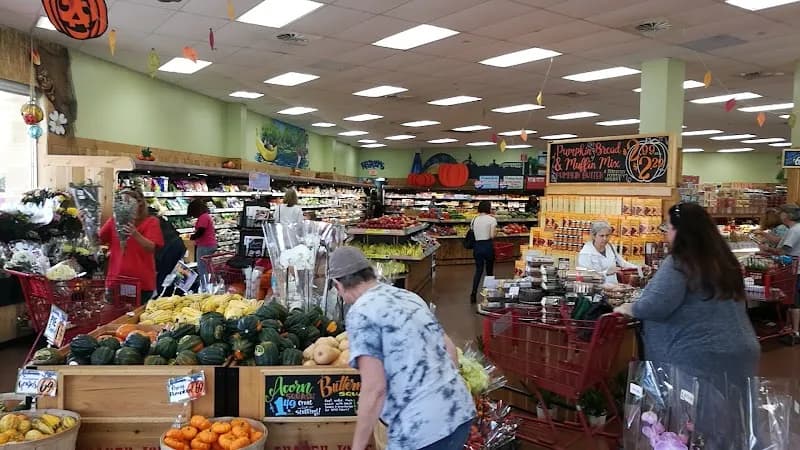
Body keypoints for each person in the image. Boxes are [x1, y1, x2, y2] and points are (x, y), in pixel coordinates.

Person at [614, 202, 760, 448]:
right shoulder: (724, 260)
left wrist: (629, 308)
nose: (666, 233)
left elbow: (656, 305)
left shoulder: (680, 262)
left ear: (682, 232)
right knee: (735, 422)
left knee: (694, 425)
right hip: (740, 349)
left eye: (668, 228)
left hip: (698, 356)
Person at [328, 247, 475, 450]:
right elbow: (449, 348)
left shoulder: (361, 313)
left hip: (421, 430)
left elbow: (374, 389)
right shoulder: (408, 296)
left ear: (338, 285)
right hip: (459, 411)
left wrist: (358, 447)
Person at [99, 188, 164, 303]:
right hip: (116, 280)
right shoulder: (114, 221)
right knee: (114, 317)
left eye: (128, 202)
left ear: (139, 203)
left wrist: (135, 233)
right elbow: (98, 240)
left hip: (141, 283)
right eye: (121, 202)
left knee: (135, 317)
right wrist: (87, 222)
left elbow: (151, 247)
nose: (124, 206)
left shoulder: (151, 222)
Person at [758, 204, 800, 338]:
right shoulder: (794, 228)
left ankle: (795, 330)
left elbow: (784, 250)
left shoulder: (793, 231)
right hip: (794, 267)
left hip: (794, 268)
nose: (780, 216)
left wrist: (767, 250)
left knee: (793, 300)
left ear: (787, 215)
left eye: (781, 213)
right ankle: (789, 326)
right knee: (791, 298)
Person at [577, 220, 641, 285]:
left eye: (607, 235)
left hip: (613, 289)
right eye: (601, 236)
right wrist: (606, 272)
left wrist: (639, 268)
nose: (605, 238)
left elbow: (623, 263)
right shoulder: (586, 253)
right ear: (594, 236)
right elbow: (586, 276)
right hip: (596, 290)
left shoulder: (610, 247)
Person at [150, 207, 186, 297]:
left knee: (163, 275)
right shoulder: (162, 220)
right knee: (174, 273)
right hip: (178, 245)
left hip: (168, 250)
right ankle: (176, 294)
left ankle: (164, 297)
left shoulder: (150, 222)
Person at [470, 200, 498, 304]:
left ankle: (473, 294)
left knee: (478, 270)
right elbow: (491, 235)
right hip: (487, 246)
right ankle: (489, 294)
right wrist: (497, 232)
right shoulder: (492, 220)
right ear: (488, 208)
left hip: (477, 246)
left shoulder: (474, 219)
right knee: (489, 271)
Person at [188, 198, 217, 288]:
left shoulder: (203, 217)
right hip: (210, 244)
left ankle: (205, 287)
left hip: (205, 246)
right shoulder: (206, 216)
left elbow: (201, 231)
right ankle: (210, 286)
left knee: (202, 268)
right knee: (208, 268)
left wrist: (192, 237)